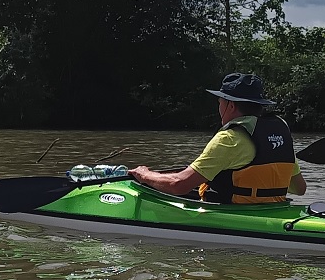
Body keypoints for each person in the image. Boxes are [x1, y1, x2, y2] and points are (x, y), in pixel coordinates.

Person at [128, 72, 307, 203]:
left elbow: (178, 185)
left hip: (232, 215)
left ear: (230, 105)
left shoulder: (229, 139)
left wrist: (145, 175)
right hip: (275, 213)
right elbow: (300, 189)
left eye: (220, 102)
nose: (219, 107)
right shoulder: (280, 134)